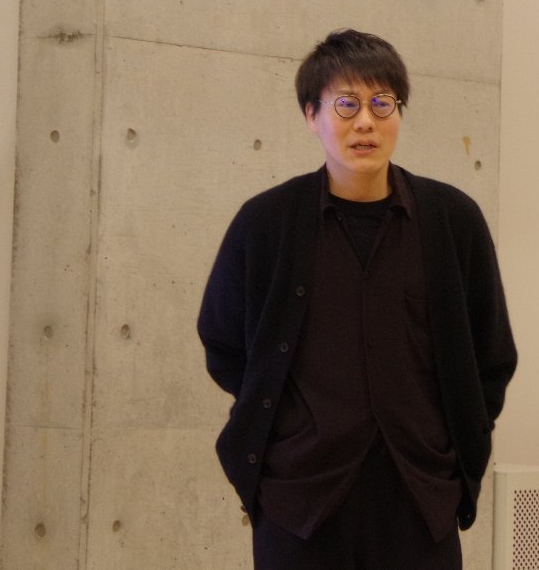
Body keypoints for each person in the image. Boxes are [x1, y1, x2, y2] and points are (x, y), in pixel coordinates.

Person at [197, 29, 517, 569]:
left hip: (422, 494)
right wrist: (291, 432)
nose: (365, 121)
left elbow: (491, 353)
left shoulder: (452, 220)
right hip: (300, 497)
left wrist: (452, 445)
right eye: (345, 104)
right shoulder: (266, 223)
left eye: (381, 103)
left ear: (399, 112)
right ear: (311, 115)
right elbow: (224, 344)